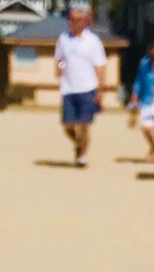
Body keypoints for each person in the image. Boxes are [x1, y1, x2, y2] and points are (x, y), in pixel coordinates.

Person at [55, 5, 107, 168]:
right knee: (67, 125)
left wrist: (100, 90)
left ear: (84, 22)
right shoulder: (63, 38)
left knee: (83, 125)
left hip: (87, 88)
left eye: (76, 20)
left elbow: (100, 66)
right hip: (68, 88)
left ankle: (81, 156)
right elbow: (60, 58)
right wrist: (60, 67)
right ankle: (78, 144)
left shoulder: (93, 41)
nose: (72, 23)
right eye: (70, 20)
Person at [129, 41, 154, 162]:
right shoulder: (144, 64)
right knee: (145, 128)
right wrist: (135, 96)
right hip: (146, 100)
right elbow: (139, 80)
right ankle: (153, 147)